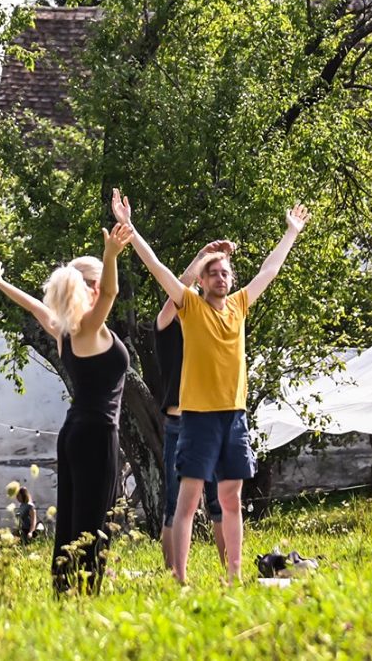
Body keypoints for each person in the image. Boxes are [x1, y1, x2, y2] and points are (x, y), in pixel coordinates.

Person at [120, 191, 310, 585]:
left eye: (225, 273)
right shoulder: (190, 307)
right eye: (213, 274)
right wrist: (131, 229)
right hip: (199, 419)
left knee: (231, 500)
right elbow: (157, 268)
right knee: (188, 503)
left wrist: (291, 232)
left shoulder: (239, 305)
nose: (221, 278)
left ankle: (234, 577)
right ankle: (181, 580)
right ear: (202, 281)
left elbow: (269, 271)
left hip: (234, 418)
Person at [0, 215, 135, 595]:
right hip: (97, 433)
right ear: (90, 287)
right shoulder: (88, 328)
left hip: (73, 433)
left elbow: (34, 306)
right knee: (93, 519)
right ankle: (84, 593)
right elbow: (110, 293)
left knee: (71, 515)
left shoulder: (64, 330)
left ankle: (63, 589)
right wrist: (111, 253)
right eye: (98, 282)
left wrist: (2, 283)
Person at [153, 239, 233, 575]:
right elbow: (176, 291)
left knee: (219, 503)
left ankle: (230, 571)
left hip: (212, 420)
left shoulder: (214, 324)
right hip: (180, 422)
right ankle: (174, 575)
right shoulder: (170, 323)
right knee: (175, 505)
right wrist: (200, 258)